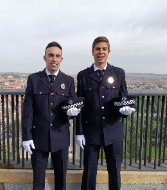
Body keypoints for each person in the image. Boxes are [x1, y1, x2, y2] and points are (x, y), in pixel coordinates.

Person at [76, 36, 135, 190]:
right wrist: (79, 132)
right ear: (92, 52)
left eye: (103, 49)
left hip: (113, 130)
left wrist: (124, 112)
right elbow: (80, 106)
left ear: (109, 52)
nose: (100, 52)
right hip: (91, 131)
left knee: (114, 171)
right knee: (89, 171)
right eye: (97, 49)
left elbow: (123, 99)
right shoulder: (83, 75)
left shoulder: (119, 73)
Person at [22, 41, 80, 190]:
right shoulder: (34, 79)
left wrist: (72, 113)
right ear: (45, 58)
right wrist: (26, 136)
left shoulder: (68, 81)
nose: (54, 59)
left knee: (61, 179)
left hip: (60, 136)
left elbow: (72, 105)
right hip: (39, 136)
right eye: (51, 55)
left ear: (61, 59)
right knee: (38, 179)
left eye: (57, 56)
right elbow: (28, 110)